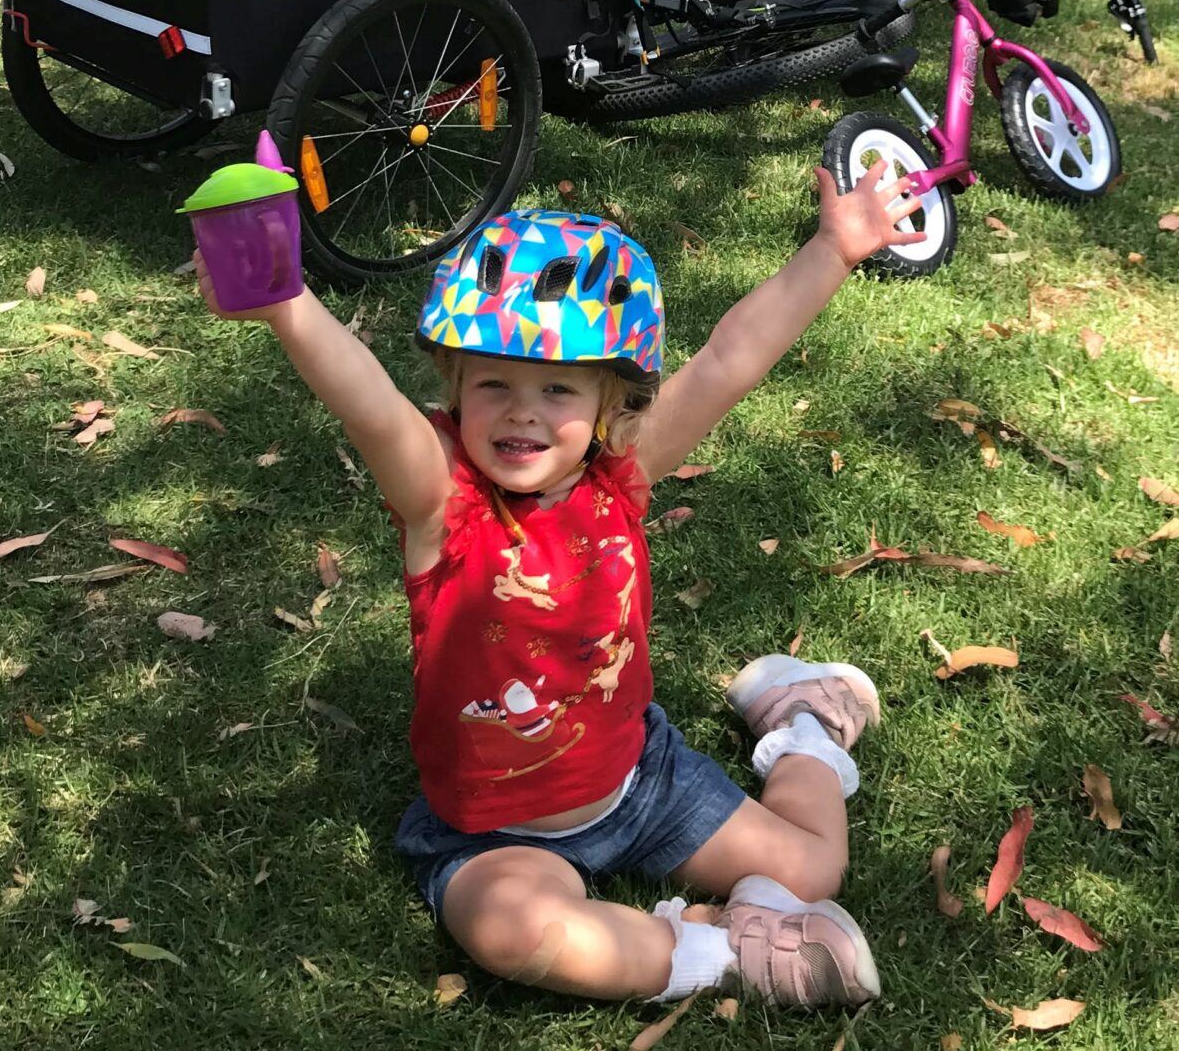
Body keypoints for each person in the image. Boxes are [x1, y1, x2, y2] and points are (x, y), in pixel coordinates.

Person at [194, 161, 925, 1010]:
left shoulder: (623, 472)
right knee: (512, 931)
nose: (522, 411)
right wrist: (287, 305)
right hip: (495, 832)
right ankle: (722, 953)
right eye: (493, 382)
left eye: (557, 388)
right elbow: (369, 405)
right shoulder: (443, 501)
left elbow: (728, 359)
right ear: (455, 390)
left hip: (638, 784)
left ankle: (803, 725)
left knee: (814, 864)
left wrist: (833, 248)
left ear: (610, 404)